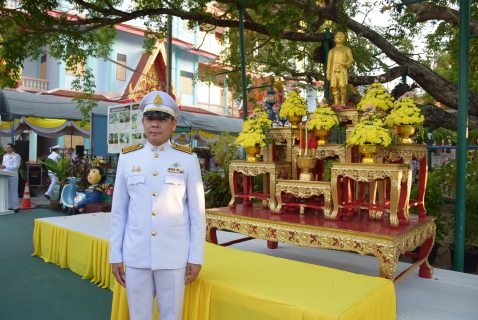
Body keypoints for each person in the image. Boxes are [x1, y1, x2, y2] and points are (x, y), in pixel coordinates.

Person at [109, 91, 206, 320]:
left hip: (173, 256)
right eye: (150, 118)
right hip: (136, 254)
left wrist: (196, 257)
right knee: (138, 316)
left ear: (173, 124)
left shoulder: (187, 159)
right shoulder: (127, 158)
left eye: (162, 119)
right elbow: (118, 212)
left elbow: (197, 214)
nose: (155, 124)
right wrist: (115, 255)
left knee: (171, 316)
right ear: (142, 122)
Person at [326, 32, 354, 106]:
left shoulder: (346, 49)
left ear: (344, 39)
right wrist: (328, 73)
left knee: (342, 86)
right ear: (334, 39)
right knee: (334, 87)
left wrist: (345, 64)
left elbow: (351, 59)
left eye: (341, 37)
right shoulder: (331, 51)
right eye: (338, 37)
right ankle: (336, 102)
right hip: (333, 71)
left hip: (342, 70)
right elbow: (329, 63)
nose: (339, 38)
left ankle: (343, 102)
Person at [0, 143, 21, 213]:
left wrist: (6, 167)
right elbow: (3, 165)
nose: (7, 149)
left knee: (13, 191)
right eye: (6, 148)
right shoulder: (5, 155)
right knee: (7, 191)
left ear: (13, 148)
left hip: (12, 175)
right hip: (5, 175)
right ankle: (9, 206)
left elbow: (16, 166)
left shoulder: (16, 156)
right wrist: (1, 167)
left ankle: (15, 207)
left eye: (9, 148)